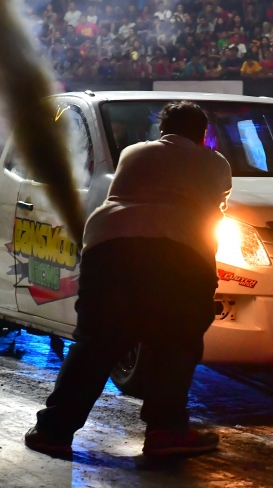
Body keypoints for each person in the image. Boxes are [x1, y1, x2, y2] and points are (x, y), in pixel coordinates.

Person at [25, 101, 232, 457]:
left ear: (161, 130)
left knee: (96, 343)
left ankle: (53, 431)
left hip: (109, 246)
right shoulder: (214, 163)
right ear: (203, 134)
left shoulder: (134, 152)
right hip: (178, 251)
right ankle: (165, 432)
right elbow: (215, 210)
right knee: (175, 343)